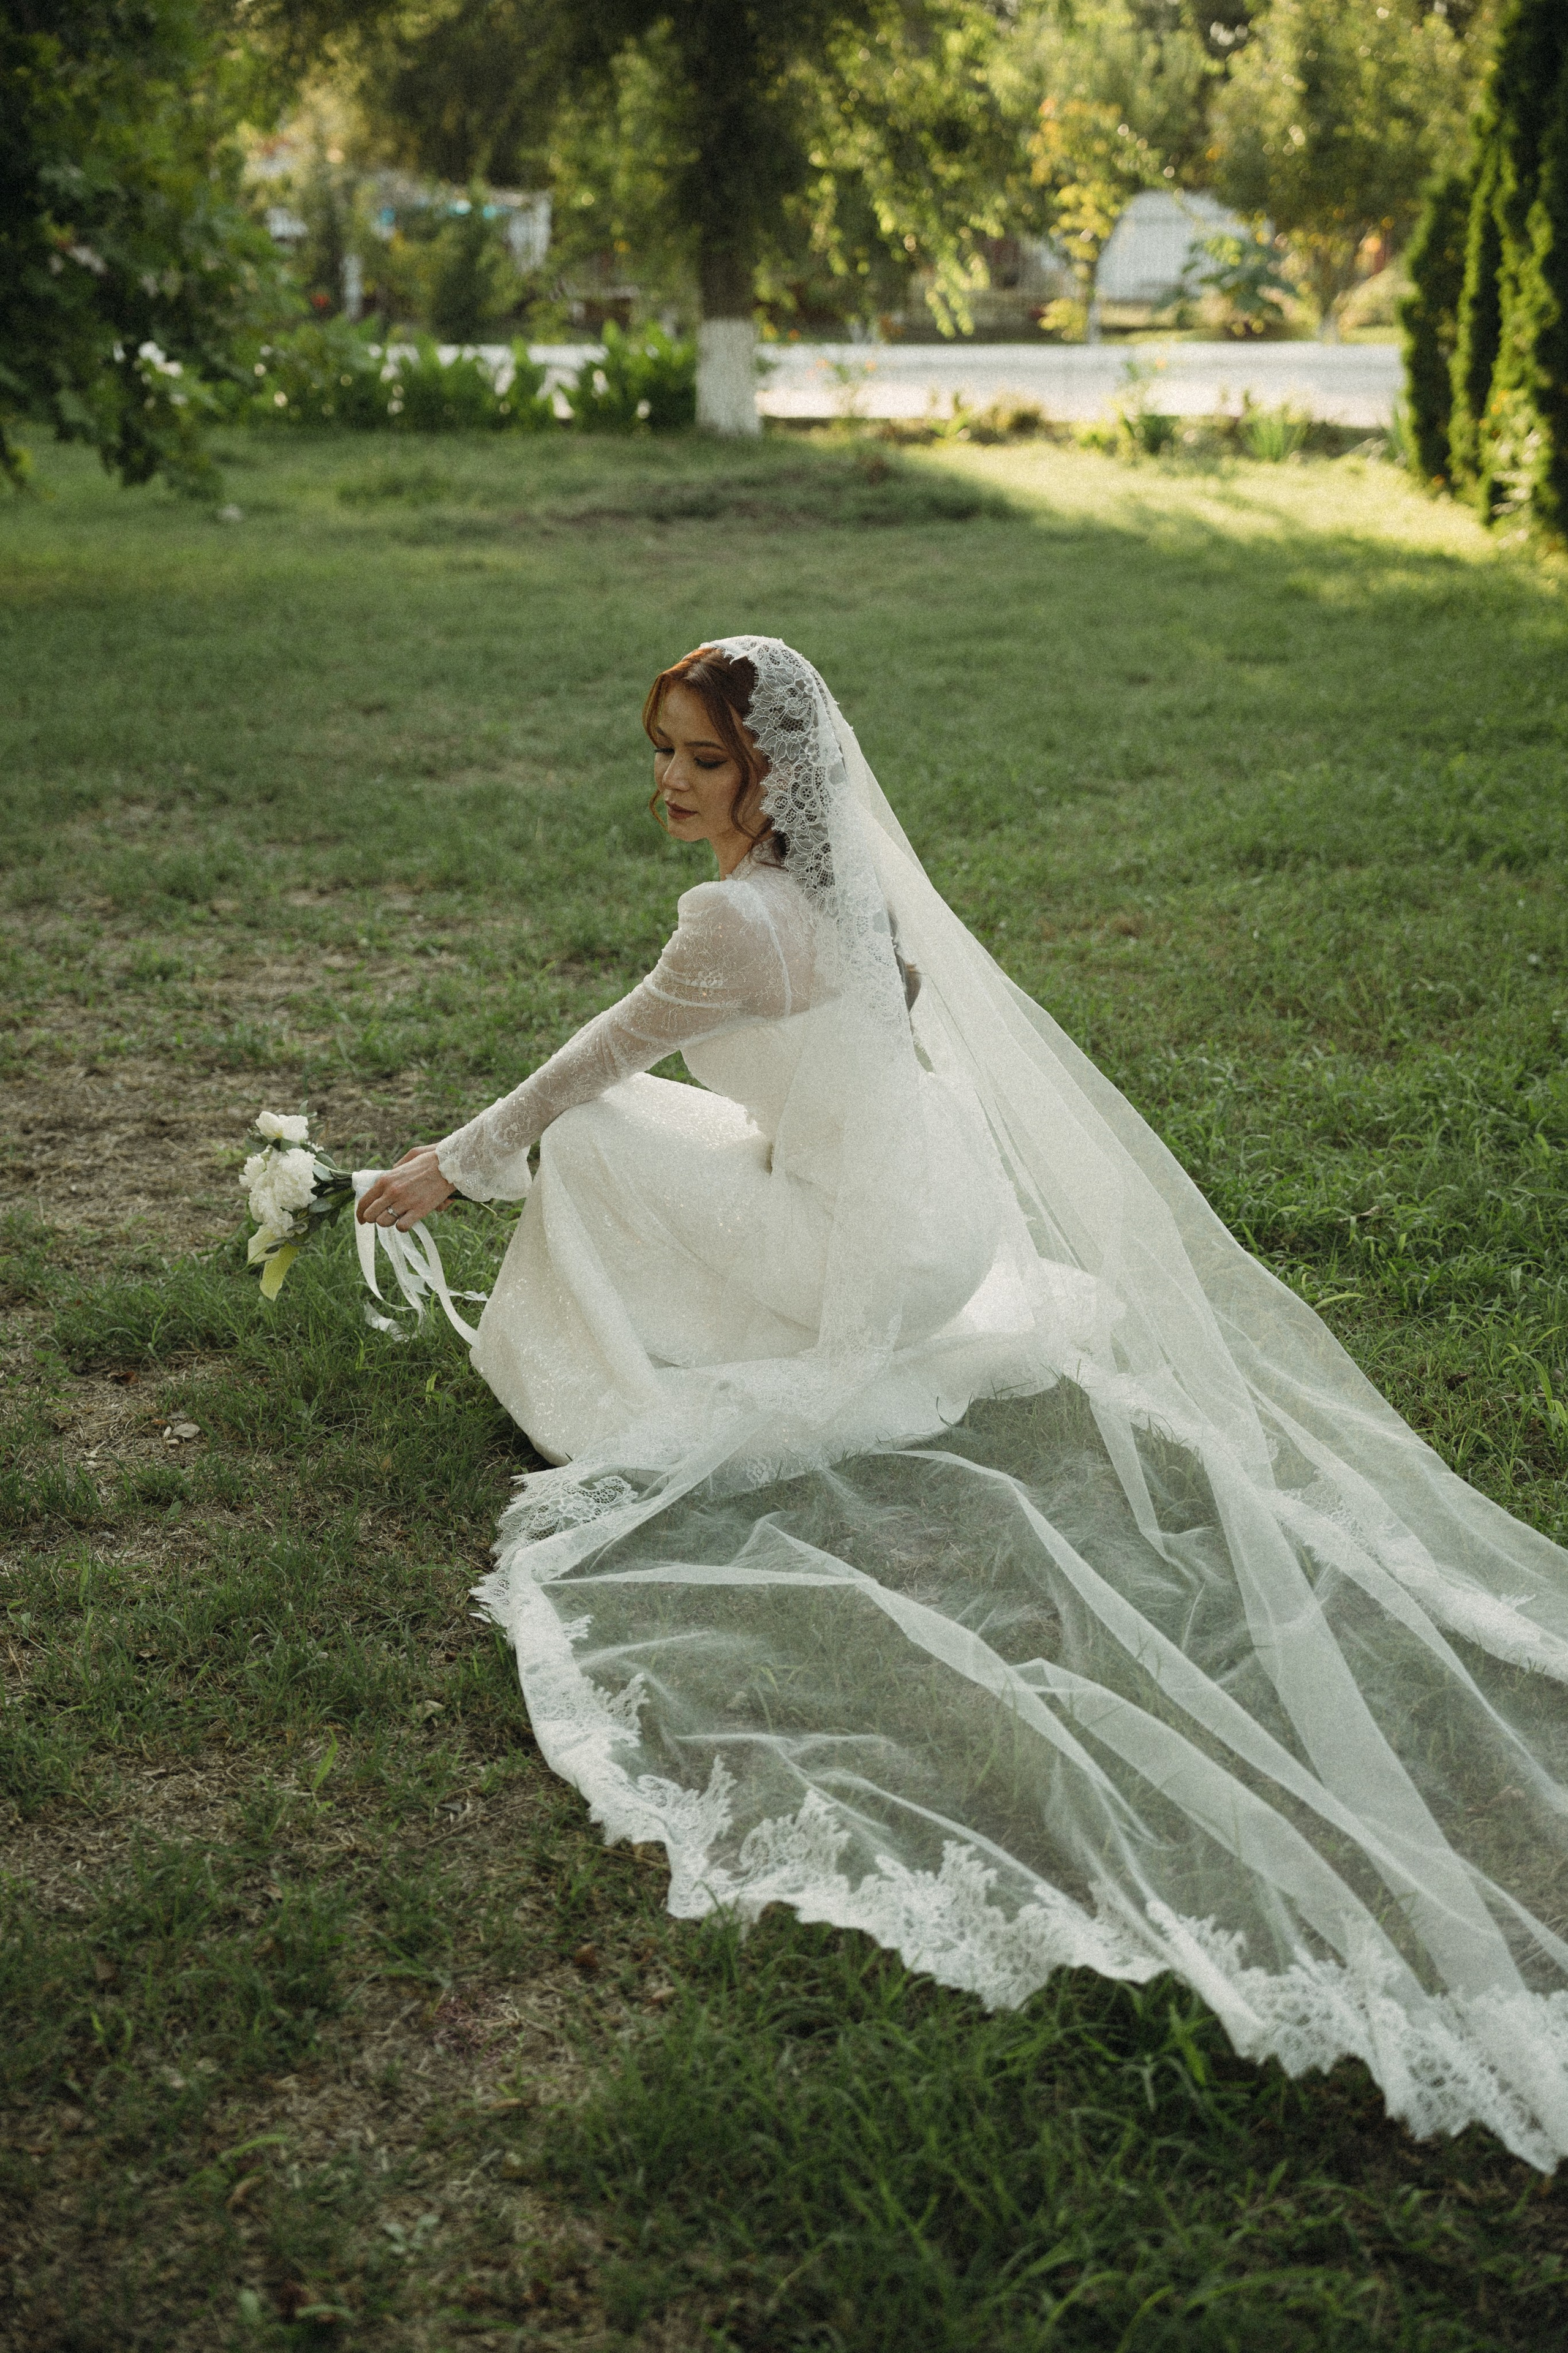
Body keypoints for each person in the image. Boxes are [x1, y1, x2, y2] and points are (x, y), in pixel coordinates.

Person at [358, 638, 1568, 2170]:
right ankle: (709, 1311)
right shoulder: (838, 880)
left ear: (772, 775)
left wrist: (448, 1163)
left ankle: (593, 1387)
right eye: (660, 750)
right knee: (657, 1134)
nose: (670, 782)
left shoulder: (727, 917)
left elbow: (592, 1054)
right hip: (938, 1233)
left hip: (859, 1255)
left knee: (590, 1135)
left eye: (702, 760)